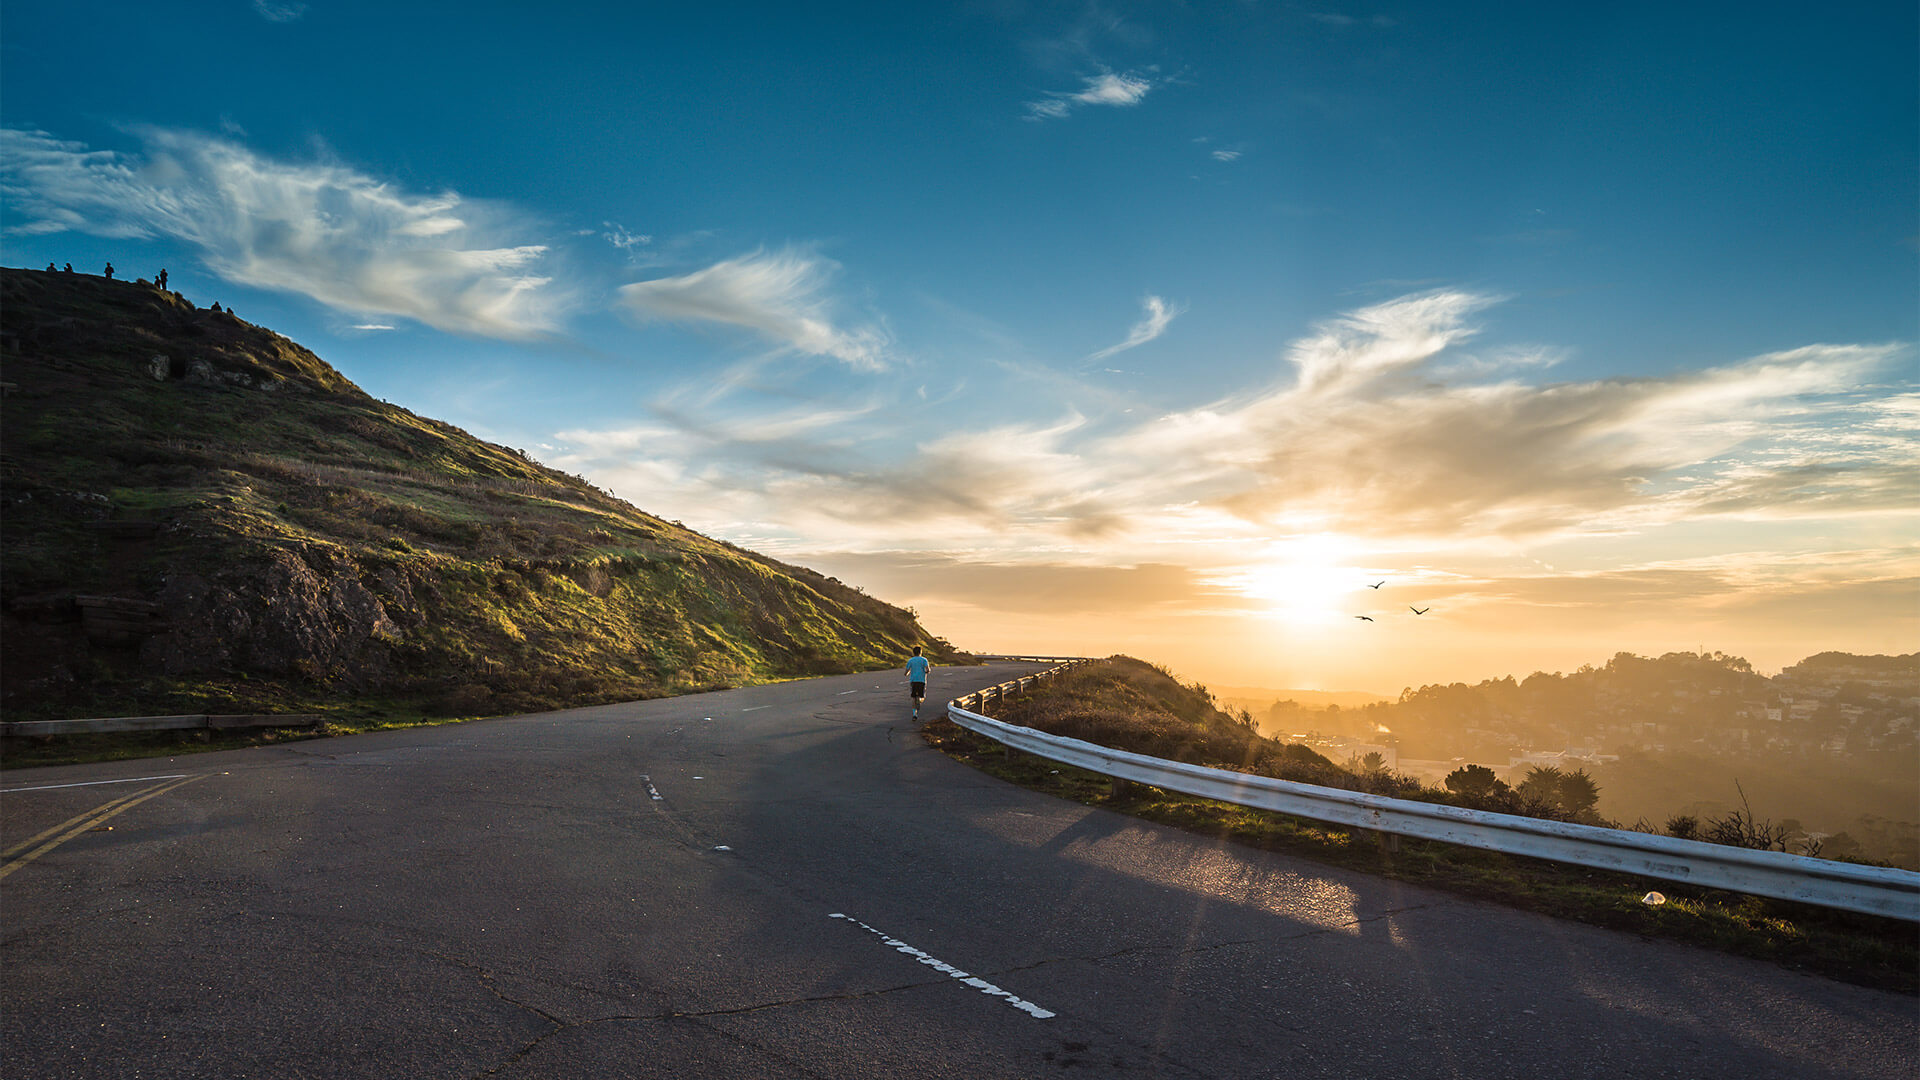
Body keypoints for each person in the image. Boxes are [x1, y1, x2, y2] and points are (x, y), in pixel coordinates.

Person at [904, 646, 931, 720]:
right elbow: (928, 670)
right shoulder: (924, 660)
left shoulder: (911, 660)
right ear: (920, 652)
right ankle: (919, 700)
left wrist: (906, 673)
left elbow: (906, 671)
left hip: (913, 680)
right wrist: (926, 671)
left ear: (913, 652)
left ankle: (914, 714)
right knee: (922, 696)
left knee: (913, 697)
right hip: (921, 680)